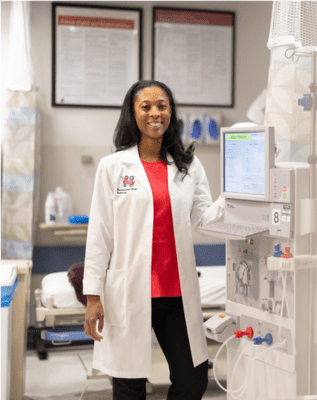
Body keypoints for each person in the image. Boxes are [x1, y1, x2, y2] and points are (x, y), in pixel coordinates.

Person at [83, 80, 225, 400]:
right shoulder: (113, 167)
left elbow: (205, 217)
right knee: (129, 385)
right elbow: (100, 234)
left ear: (171, 112)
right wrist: (93, 296)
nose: (154, 113)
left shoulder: (187, 166)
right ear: (132, 114)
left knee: (192, 380)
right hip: (130, 289)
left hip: (175, 290)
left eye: (161, 105)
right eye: (145, 107)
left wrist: (237, 198)